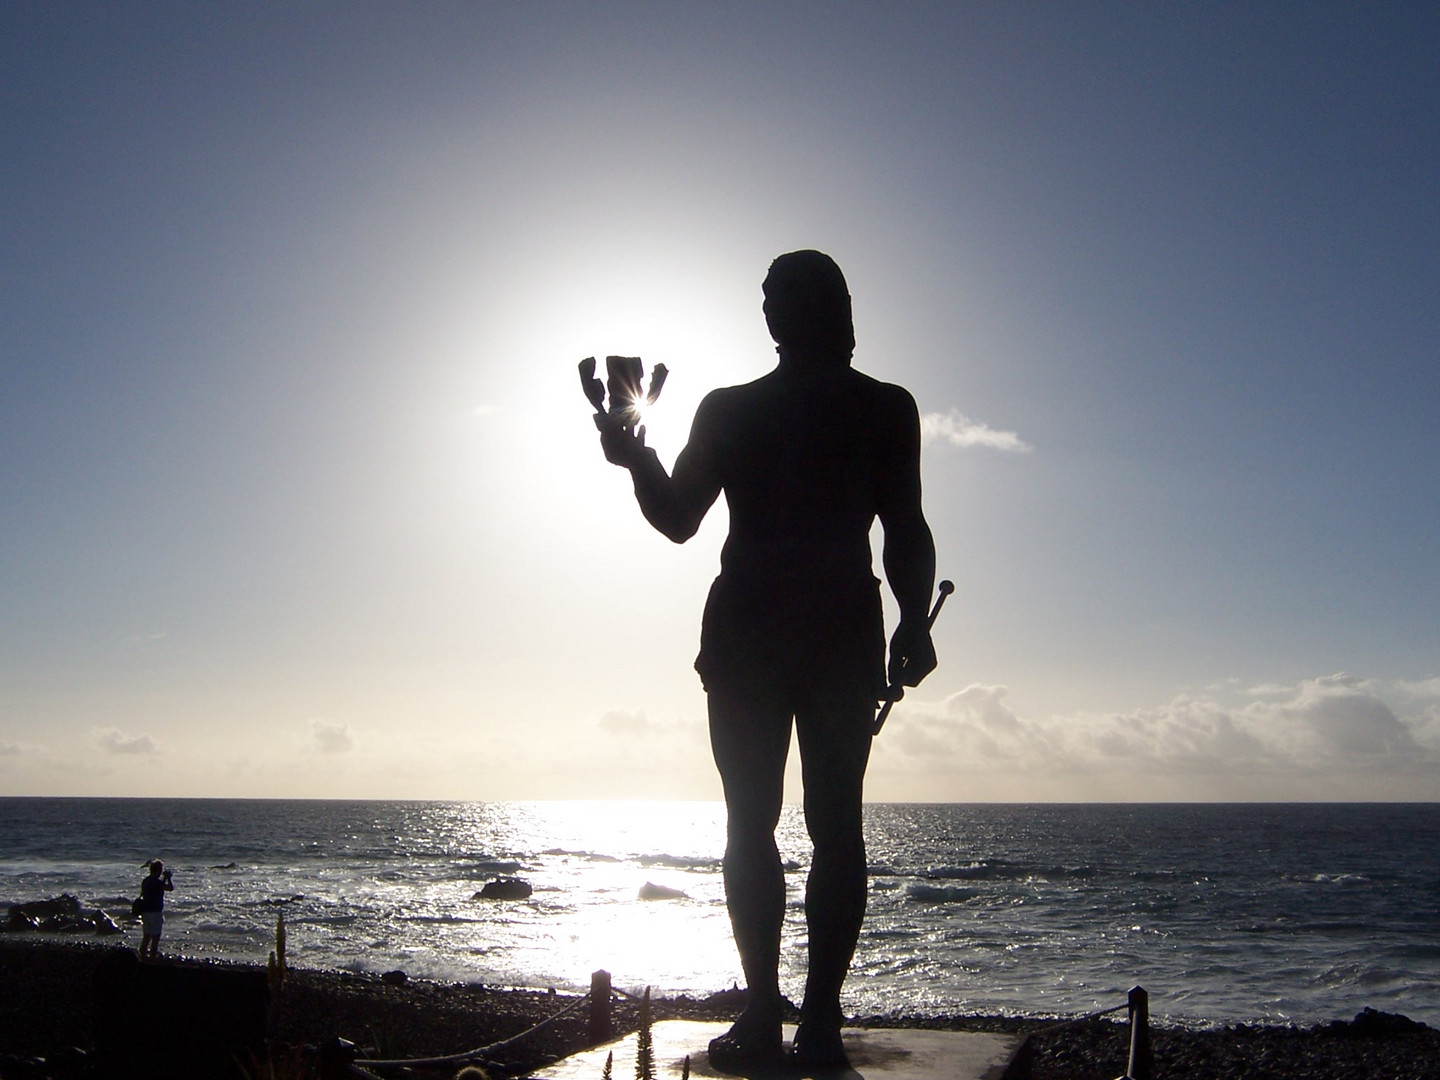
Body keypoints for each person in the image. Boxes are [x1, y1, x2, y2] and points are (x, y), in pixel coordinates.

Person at [595, 250, 937, 1070]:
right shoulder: (867, 408)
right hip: (811, 632)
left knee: (778, 826)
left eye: (780, 298)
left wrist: (915, 621)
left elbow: (903, 528)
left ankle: (790, 1015)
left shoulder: (795, 409)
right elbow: (904, 531)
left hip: (773, 630)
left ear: (790, 316)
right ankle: (794, 1016)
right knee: (813, 826)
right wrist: (635, 454)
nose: (774, 310)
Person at [137, 859, 173, 961]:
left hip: (146, 911)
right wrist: (168, 878)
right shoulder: (156, 882)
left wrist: (164, 878)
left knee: (147, 936)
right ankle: (152, 956)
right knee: (156, 936)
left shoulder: (146, 881)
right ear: (157, 870)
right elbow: (170, 888)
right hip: (155, 912)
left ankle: (142, 955)